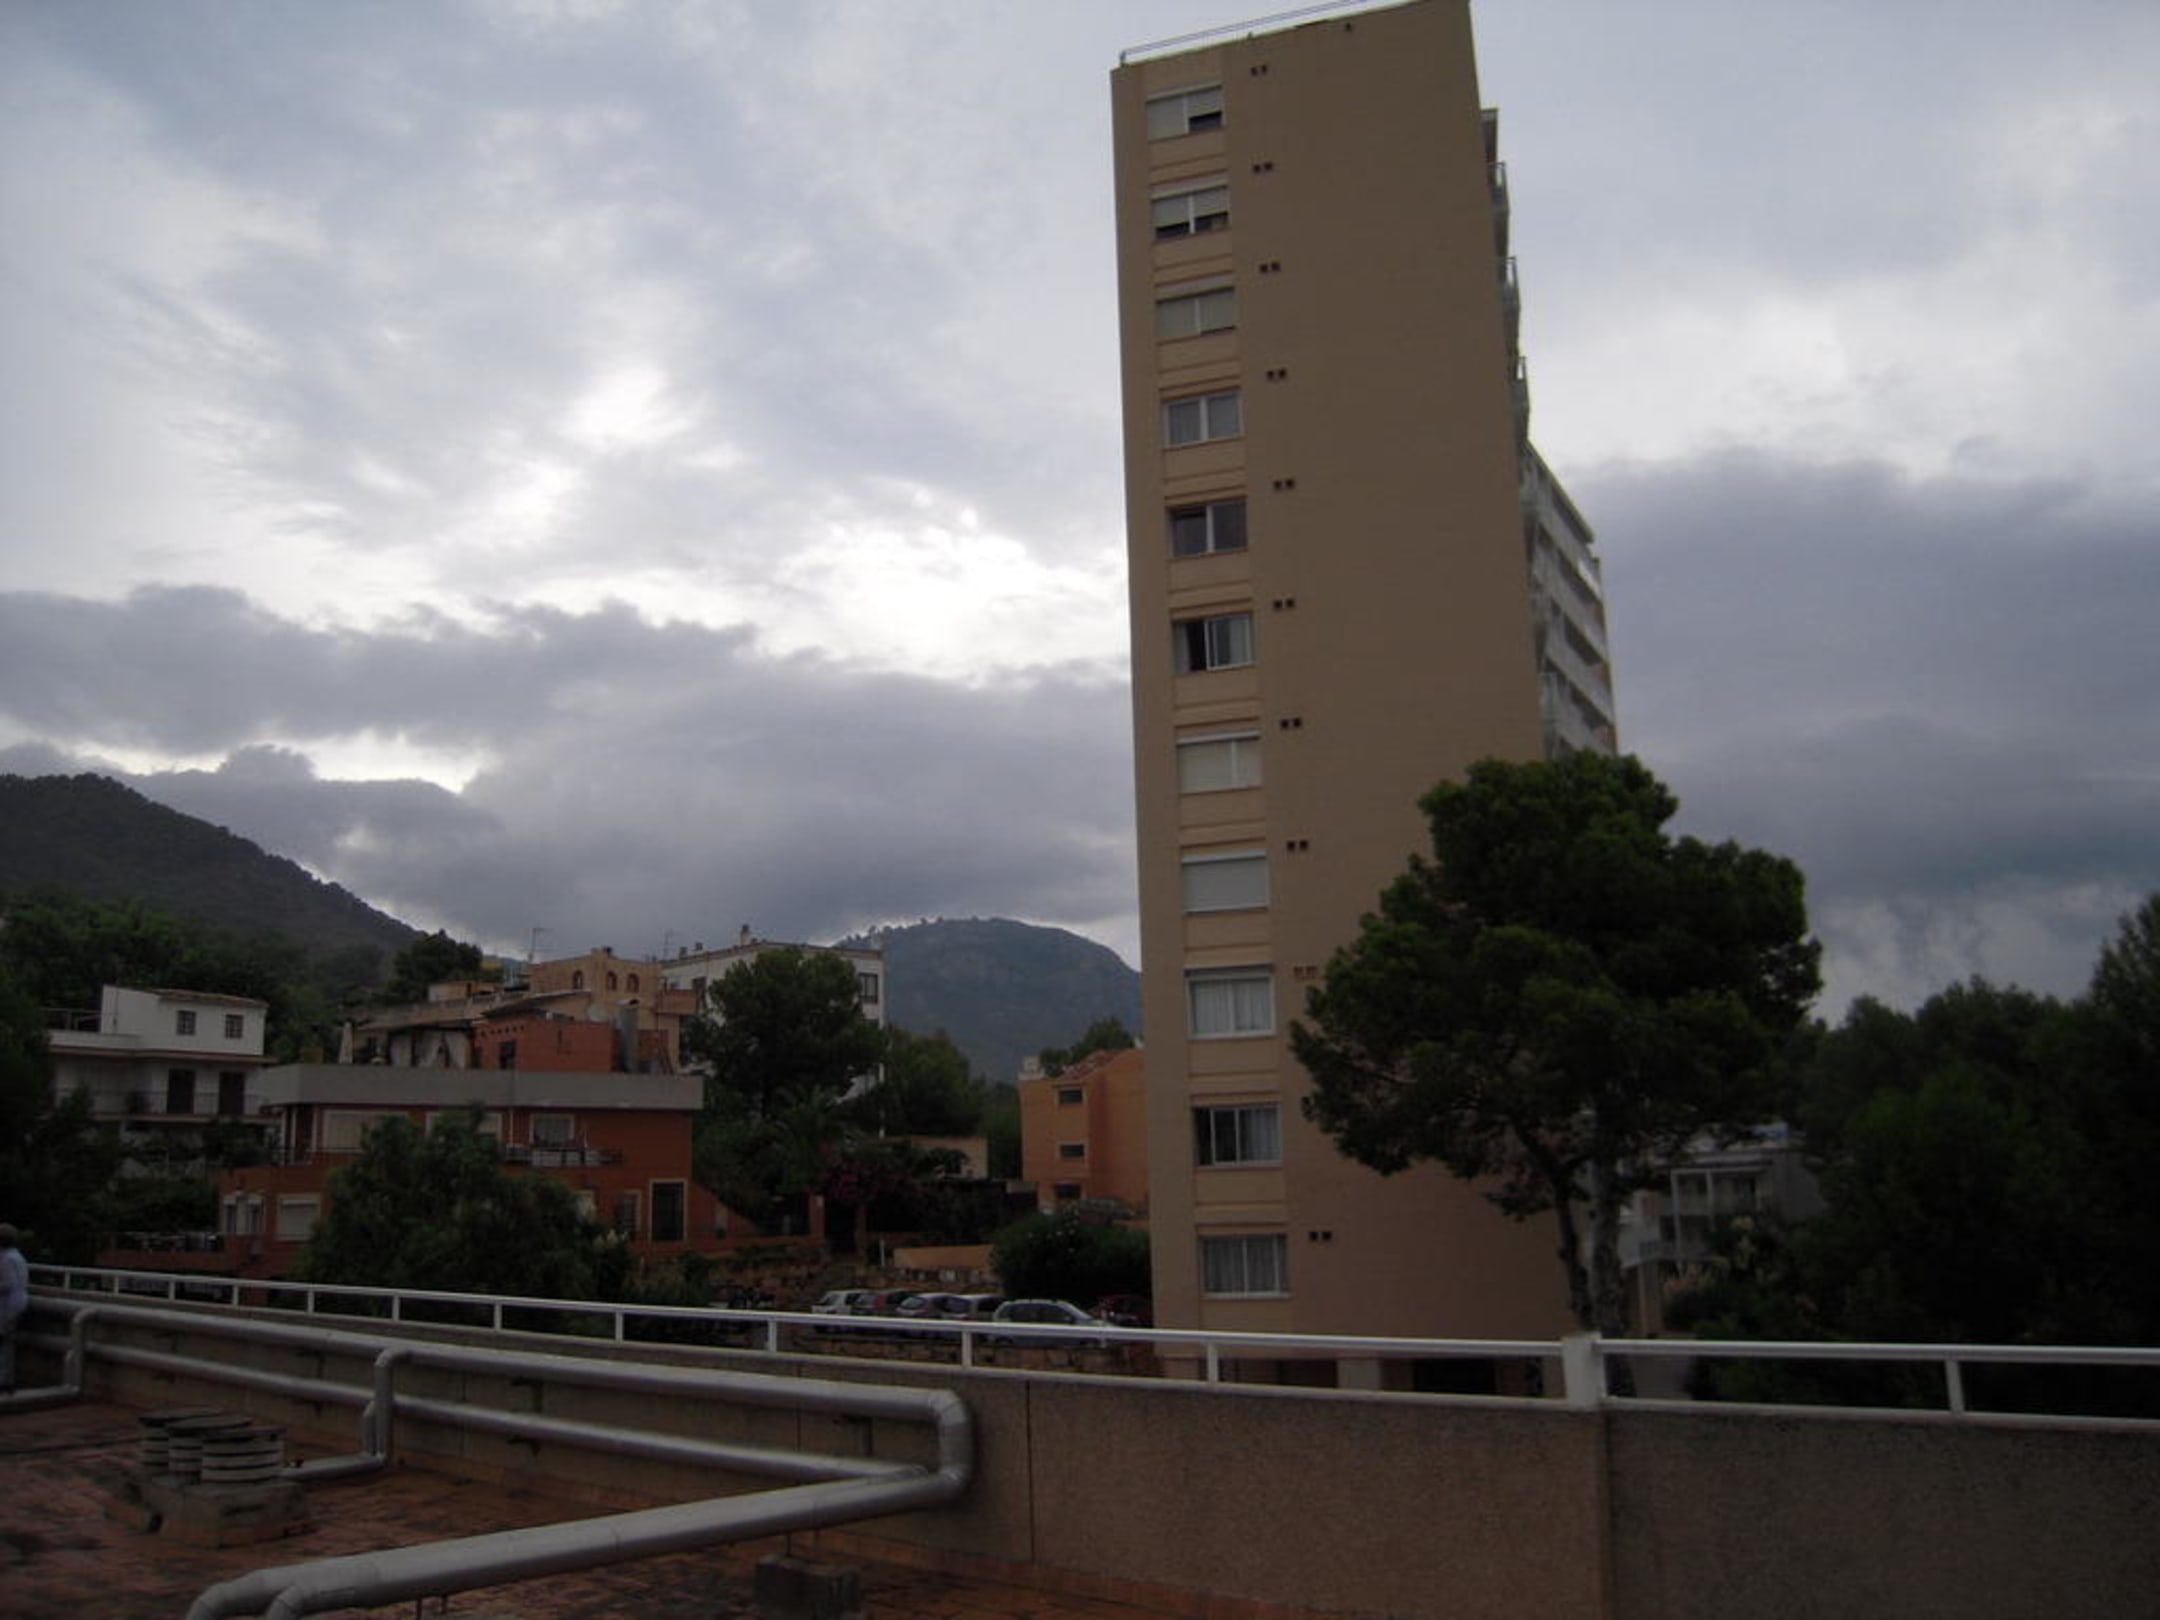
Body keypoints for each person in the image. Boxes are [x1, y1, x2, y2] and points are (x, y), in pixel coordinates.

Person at [0, 1223, 28, 1396]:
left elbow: (7, 1284)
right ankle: (6, 1380)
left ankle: (4, 1380)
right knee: (7, 1344)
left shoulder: (6, 1259)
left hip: (7, 1306)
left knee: (4, 1343)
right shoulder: (17, 1256)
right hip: (16, 1303)